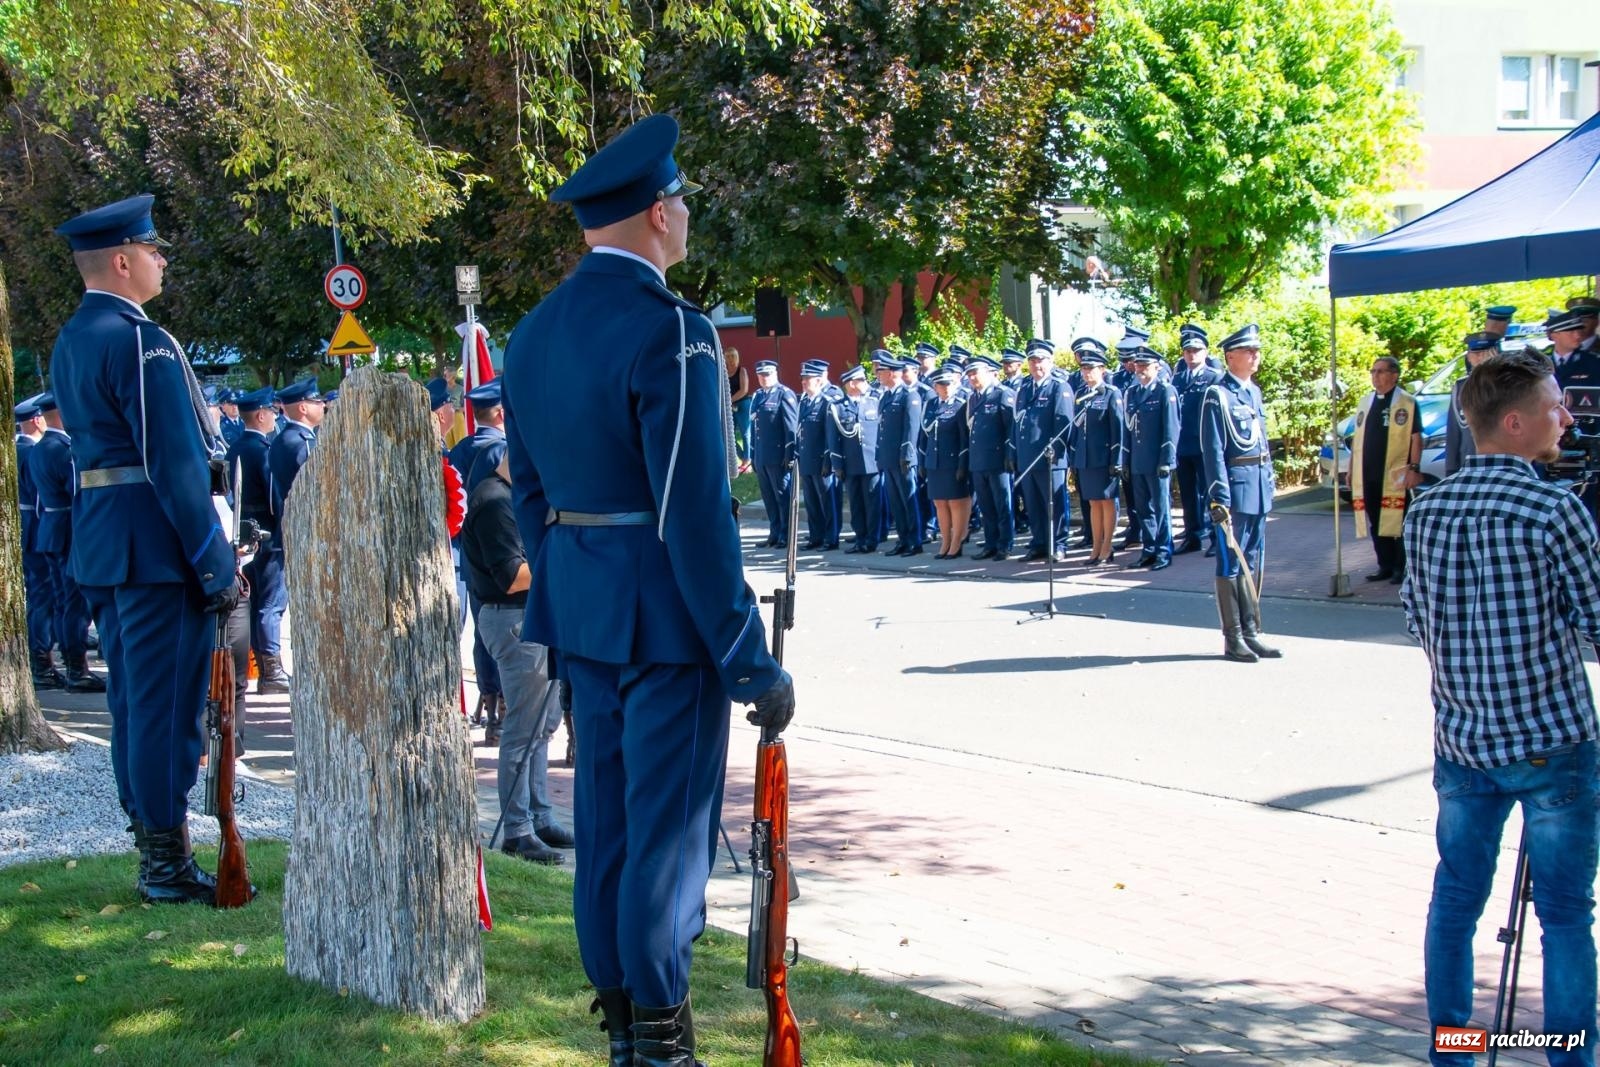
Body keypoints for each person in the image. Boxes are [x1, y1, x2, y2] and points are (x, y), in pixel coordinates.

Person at [498, 113, 793, 1066]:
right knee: (666, 839)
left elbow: (532, 495)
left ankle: (628, 1030)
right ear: (659, 214)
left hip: (586, 619)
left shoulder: (532, 335)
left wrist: (573, 593)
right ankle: (663, 1044)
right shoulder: (675, 331)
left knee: (610, 830)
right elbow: (695, 515)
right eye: (683, 202)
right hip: (667, 625)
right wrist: (749, 660)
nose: (687, 215)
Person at [1401, 349, 1600, 1067]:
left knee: (1456, 903)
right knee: (1565, 915)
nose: (1566, 417)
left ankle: (1454, 1053)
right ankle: (1569, 1056)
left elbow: (1416, 619)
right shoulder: (1554, 508)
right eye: (1555, 407)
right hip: (1553, 744)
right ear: (1515, 423)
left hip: (1463, 740)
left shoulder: (1427, 509)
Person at [49, 193, 241, 905]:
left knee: (134, 703)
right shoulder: (142, 341)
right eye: (153, 250)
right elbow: (176, 466)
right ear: (123, 261)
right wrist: (214, 562)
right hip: (156, 551)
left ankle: (153, 843)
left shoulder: (74, 337)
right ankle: (165, 864)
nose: (162, 260)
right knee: (166, 710)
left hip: (107, 544)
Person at [461, 451, 573, 867]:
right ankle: (518, 829)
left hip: (529, 616)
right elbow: (511, 577)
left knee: (542, 726)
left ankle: (538, 817)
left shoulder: (510, 495)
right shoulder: (495, 500)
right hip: (514, 618)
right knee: (525, 729)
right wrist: (567, 559)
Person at [1200, 324, 1281, 663]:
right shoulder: (1217, 395)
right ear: (1231, 356)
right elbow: (1213, 449)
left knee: (1253, 561)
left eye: (1257, 350)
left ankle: (1252, 631)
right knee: (1231, 562)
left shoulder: (1253, 392)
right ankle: (1233, 637)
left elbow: (1262, 443)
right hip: (1235, 490)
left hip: (1257, 486)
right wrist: (1220, 496)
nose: (1255, 356)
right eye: (1249, 351)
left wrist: (1270, 481)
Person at [28, 392, 106, 691]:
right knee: (74, 604)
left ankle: (69, 664)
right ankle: (77, 669)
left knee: (62, 602)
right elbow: (78, 492)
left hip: (50, 528)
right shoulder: (64, 450)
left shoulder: (40, 448)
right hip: (69, 530)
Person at [447, 378, 510, 732]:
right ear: (500, 413)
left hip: (469, 558)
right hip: (501, 556)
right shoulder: (501, 450)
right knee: (505, 633)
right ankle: (502, 707)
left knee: (484, 634)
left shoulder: (460, 449)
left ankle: (490, 707)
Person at [227, 386, 290, 695]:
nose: (275, 417)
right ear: (261, 415)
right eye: (271, 412)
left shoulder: (235, 447)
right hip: (267, 534)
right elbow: (273, 496)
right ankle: (271, 670)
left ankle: (260, 666)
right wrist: (284, 529)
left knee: (253, 602)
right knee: (271, 603)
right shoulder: (263, 450)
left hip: (244, 533)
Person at [1351, 356, 1423, 584]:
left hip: (1395, 472)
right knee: (1376, 520)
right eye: (1373, 371)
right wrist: (1352, 468)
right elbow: (1357, 439)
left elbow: (1416, 437)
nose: (1375, 376)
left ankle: (1401, 567)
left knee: (1398, 522)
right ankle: (1385, 564)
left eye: (1380, 371)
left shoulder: (1406, 402)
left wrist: (1414, 467)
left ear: (1394, 375)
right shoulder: (1366, 402)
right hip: (1368, 472)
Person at [15, 396, 62, 688]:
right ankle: (42, 661)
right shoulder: (32, 452)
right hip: (36, 527)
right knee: (43, 596)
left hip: (25, 528)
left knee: (38, 595)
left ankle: (41, 658)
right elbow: (39, 500)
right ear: (36, 420)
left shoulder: (15, 449)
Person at [1013, 339, 1073, 562]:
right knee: (1033, 504)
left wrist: (1055, 450)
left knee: (1054, 505)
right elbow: (1017, 424)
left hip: (1050, 458)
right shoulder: (1024, 389)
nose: (1036, 365)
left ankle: (1059, 544)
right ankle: (1039, 543)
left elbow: (1064, 423)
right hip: (1027, 457)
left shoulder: (1059, 387)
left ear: (1050, 362)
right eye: (1033, 361)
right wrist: (1015, 453)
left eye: (1041, 360)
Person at [1070, 345, 1126, 566]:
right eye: (1084, 369)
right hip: (1085, 458)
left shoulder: (1111, 393)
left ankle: (1106, 547)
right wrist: (1074, 457)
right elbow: (1076, 429)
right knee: (1093, 503)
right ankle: (1095, 547)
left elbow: (1118, 430)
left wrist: (1117, 460)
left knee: (1107, 502)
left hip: (1104, 458)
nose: (1086, 373)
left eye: (1091, 368)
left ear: (1102, 369)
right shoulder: (1081, 394)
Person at [1172, 325, 1224, 555]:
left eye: (1196, 350)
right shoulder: (1177, 379)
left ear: (1205, 352)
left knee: (1210, 493)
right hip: (1183, 445)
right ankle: (1192, 537)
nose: (1192, 355)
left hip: (1204, 445)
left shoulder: (1214, 378)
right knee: (1188, 495)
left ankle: (1216, 537)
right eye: (1188, 351)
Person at [1125, 347, 1178, 570]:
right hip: (1138, 461)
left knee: (1161, 508)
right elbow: (1128, 430)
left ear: (1156, 367)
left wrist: (1167, 460)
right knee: (1143, 509)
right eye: (1138, 365)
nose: (1141, 369)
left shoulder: (1165, 391)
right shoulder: (1133, 392)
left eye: (1145, 365)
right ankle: (1148, 550)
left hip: (1157, 461)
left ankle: (1164, 551)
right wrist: (1126, 460)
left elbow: (1171, 428)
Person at [964, 355, 1016, 561]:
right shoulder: (973, 397)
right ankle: (990, 543)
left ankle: (1005, 544)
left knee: (1002, 504)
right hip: (978, 460)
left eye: (975, 373)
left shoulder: (1002, 394)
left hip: (998, 460)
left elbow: (1011, 428)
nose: (972, 378)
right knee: (986, 506)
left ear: (987, 373)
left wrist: (1010, 455)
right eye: (969, 374)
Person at [876, 353, 923, 556]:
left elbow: (912, 428)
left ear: (892, 373)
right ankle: (903, 540)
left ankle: (915, 541)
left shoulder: (909, 395)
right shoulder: (886, 396)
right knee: (896, 502)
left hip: (903, 458)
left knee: (908, 500)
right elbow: (882, 429)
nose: (878, 374)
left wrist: (907, 454)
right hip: (888, 457)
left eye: (881, 371)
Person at [831, 364, 882, 553]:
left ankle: (872, 539)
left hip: (872, 462)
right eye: (861, 380)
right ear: (851, 384)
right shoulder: (838, 407)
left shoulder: (874, 402)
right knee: (856, 504)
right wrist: (837, 464)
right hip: (850, 463)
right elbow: (833, 438)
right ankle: (860, 538)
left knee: (872, 503)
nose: (865, 383)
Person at [921, 368, 971, 559]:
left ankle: (957, 542)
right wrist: (923, 461)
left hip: (952, 461)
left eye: (948, 384)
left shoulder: (960, 405)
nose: (946, 388)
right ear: (935, 387)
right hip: (934, 462)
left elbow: (964, 438)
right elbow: (924, 435)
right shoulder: (930, 405)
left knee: (956, 502)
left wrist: (962, 464)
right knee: (940, 502)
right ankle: (945, 541)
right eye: (941, 385)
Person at [748, 359, 798, 548]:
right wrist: (753, 454)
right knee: (769, 498)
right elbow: (754, 428)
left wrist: (789, 454)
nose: (764, 378)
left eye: (767, 374)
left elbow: (790, 427)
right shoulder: (758, 395)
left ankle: (786, 534)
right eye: (761, 375)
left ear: (775, 374)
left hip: (778, 457)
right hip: (762, 456)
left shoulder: (784, 394)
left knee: (782, 497)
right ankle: (774, 533)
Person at [795, 360, 841, 550]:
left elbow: (830, 435)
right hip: (807, 459)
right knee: (811, 502)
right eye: (803, 379)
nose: (804, 382)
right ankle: (816, 536)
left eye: (808, 379)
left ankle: (831, 538)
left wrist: (828, 460)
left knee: (827, 502)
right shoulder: (804, 402)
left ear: (819, 381)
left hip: (821, 460)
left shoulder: (826, 402)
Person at [1444, 334, 1499, 476]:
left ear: (1495, 353)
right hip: (1468, 462)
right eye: (1476, 353)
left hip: (1497, 463)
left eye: (1485, 353)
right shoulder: (1461, 386)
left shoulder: (1505, 384)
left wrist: (1492, 372)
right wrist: (1451, 468)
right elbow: (1453, 430)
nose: (1480, 357)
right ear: (1468, 357)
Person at [726, 346, 752, 473]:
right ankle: (742, 457)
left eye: (732, 356)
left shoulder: (742, 371)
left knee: (745, 433)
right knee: (729, 434)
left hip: (743, 404)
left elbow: (744, 390)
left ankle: (748, 461)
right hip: (729, 406)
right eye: (727, 356)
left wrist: (730, 400)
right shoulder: (724, 371)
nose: (730, 359)